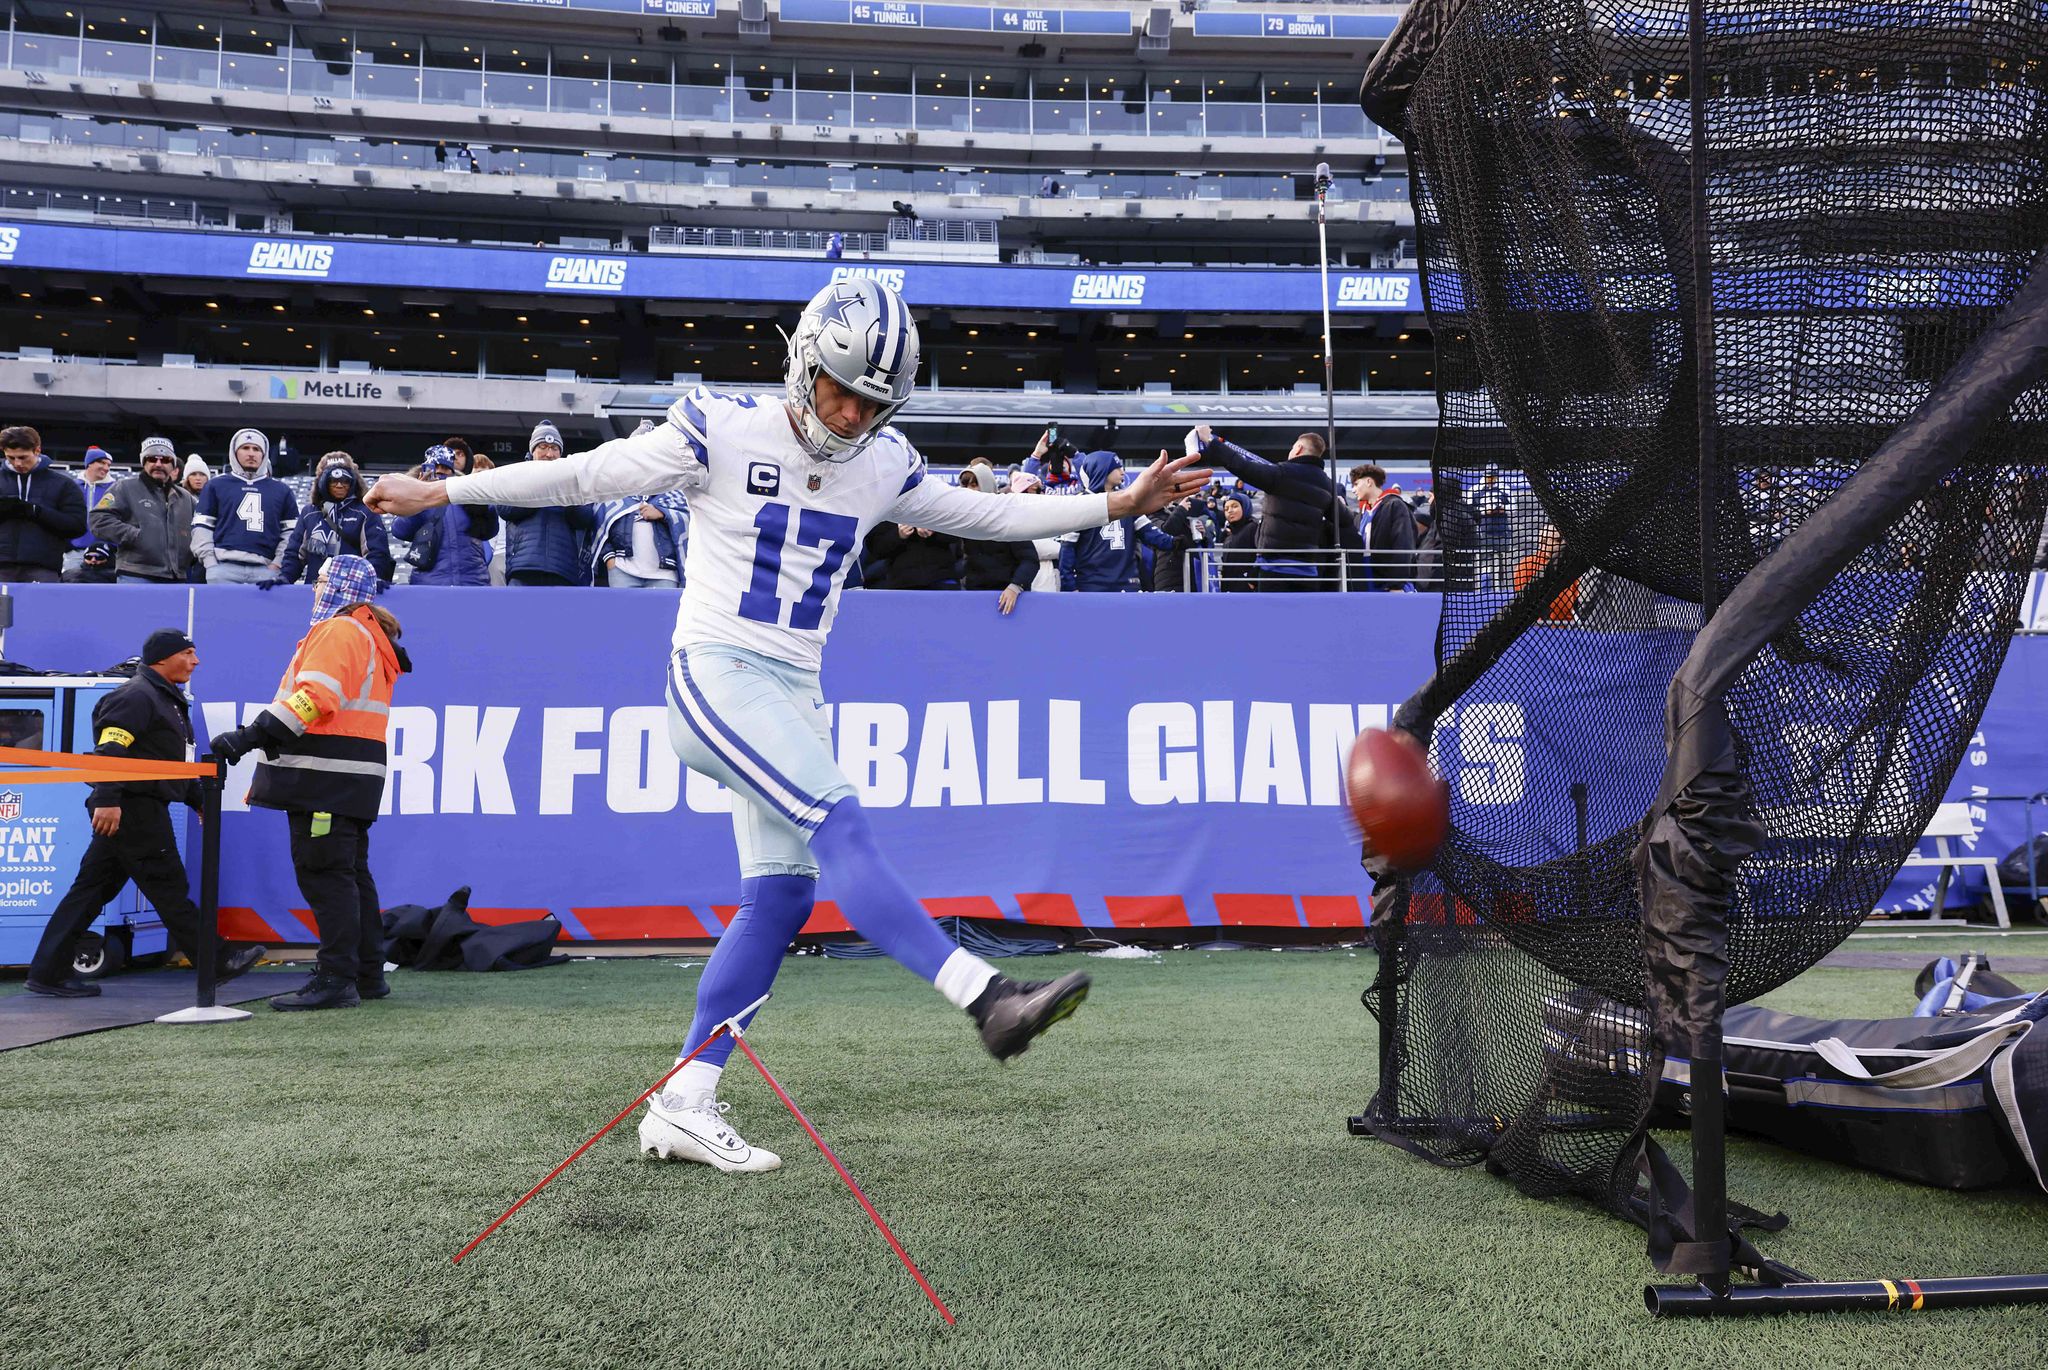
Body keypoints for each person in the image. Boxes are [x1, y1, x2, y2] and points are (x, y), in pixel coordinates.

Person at [367, 277, 1209, 1173]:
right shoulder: (720, 426)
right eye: (840, 390)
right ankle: (988, 997)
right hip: (718, 671)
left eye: (872, 403)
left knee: (781, 897)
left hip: (795, 688)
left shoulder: (883, 463)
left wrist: (1115, 505)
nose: (850, 415)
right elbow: (585, 473)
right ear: (804, 363)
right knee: (841, 823)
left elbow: (993, 511)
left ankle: (684, 1103)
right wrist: (441, 493)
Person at [210, 557, 409, 1011]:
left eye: (319, 580)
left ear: (338, 586)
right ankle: (366, 973)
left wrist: (249, 736)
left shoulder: (339, 630)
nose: (313, 588)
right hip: (350, 779)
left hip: (323, 779)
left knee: (326, 878)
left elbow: (314, 698)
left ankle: (336, 978)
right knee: (351, 876)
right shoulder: (369, 635)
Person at [24, 629, 264, 997]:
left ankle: (47, 972)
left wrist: (197, 800)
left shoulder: (165, 699)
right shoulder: (136, 696)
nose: (196, 661)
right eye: (188, 653)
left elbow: (168, 764)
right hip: (133, 809)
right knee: (169, 888)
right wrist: (108, 799)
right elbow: (110, 752)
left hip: (133, 806)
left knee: (89, 893)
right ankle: (216, 961)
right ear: (163, 658)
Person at [1187, 427, 1354, 591]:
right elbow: (1345, 519)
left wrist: (1210, 440)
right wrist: (1340, 503)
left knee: (1271, 610)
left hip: (1274, 569)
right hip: (1308, 571)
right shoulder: (1327, 485)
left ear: (1298, 448)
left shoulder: (1282, 473)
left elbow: (1242, 466)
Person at [1058, 451, 1178, 592]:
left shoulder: (1129, 501)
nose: (1122, 471)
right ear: (1102, 469)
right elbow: (1067, 549)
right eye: (1117, 467)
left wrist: (1176, 542)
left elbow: (1150, 534)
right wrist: (1069, 586)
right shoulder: (1080, 503)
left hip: (1127, 585)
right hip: (1091, 586)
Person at [193, 427, 298, 584]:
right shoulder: (216, 485)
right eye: (245, 448)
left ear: (264, 454)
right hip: (223, 567)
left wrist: (277, 563)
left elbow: (291, 534)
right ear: (234, 452)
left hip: (266, 568)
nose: (251, 453)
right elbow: (202, 528)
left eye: (256, 449)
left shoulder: (282, 490)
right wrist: (211, 563)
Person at [496, 423, 594, 587]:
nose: (549, 454)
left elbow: (584, 518)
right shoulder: (518, 473)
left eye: (554, 448)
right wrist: (538, 487)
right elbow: (504, 509)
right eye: (543, 447)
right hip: (523, 566)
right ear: (532, 451)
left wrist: (566, 491)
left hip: (562, 569)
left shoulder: (570, 478)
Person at [90, 438, 195, 584]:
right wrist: (134, 535)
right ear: (144, 462)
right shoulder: (124, 488)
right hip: (136, 574)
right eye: (152, 459)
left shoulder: (186, 498)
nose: (158, 464)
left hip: (177, 577)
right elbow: (99, 520)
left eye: (165, 460)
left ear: (173, 465)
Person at [276, 455, 394, 585]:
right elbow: (295, 554)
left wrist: (375, 579)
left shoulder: (365, 512)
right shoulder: (309, 513)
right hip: (315, 588)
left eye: (345, 481)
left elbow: (376, 552)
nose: (339, 485)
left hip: (352, 589)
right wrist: (284, 578)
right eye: (333, 481)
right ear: (323, 482)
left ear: (353, 482)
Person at [388, 448, 498, 586]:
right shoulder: (415, 496)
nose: (440, 471)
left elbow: (490, 531)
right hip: (430, 582)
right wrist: (417, 496)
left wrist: (483, 500)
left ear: (452, 470)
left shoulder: (467, 494)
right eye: (435, 467)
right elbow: (400, 531)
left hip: (472, 579)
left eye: (445, 467)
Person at [0, 424, 88, 583]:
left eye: (23, 457)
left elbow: (77, 526)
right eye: (11, 458)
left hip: (43, 567)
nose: (17, 463)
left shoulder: (63, 484)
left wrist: (36, 511)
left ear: (37, 450)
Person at [955, 466, 1035, 613]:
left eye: (974, 485)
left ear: (986, 485)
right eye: (965, 485)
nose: (969, 490)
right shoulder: (961, 520)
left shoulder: (1009, 517)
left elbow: (1030, 560)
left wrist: (1015, 586)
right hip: (973, 597)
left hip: (1008, 599)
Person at [591, 491, 686, 588]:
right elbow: (598, 525)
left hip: (665, 575)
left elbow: (691, 518)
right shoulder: (614, 491)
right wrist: (610, 559)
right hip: (622, 572)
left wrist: (664, 513)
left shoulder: (675, 492)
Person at [1352, 463, 1418, 591]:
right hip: (1366, 582)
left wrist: (1396, 584)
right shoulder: (1362, 514)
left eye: (1356, 484)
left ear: (1369, 482)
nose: (1354, 490)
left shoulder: (1395, 505)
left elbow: (1403, 544)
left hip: (1389, 585)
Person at [1006, 470, 1064, 593]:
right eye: (1038, 489)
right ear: (1027, 491)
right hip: (1028, 579)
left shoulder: (1045, 513)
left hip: (1049, 575)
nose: (1042, 492)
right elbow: (1040, 547)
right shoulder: (1015, 516)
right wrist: (1065, 549)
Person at [68, 446, 118, 576]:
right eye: (102, 463)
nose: (106, 468)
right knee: (71, 583)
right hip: (75, 552)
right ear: (89, 463)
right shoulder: (71, 487)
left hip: (107, 553)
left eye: (108, 465)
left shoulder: (116, 488)